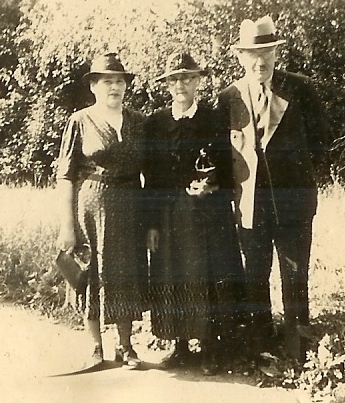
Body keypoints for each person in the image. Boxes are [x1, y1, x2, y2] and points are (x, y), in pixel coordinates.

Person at [218, 16, 329, 362]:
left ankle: (298, 349)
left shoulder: (301, 89)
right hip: (250, 202)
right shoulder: (228, 97)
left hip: (293, 202)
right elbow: (222, 154)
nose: (260, 61)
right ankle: (260, 345)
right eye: (252, 54)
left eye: (266, 52)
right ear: (240, 57)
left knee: (295, 273)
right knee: (256, 274)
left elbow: (323, 141)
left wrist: (300, 177)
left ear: (276, 54)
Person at [144, 51, 246, 375]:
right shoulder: (156, 122)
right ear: (168, 85)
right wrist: (152, 223)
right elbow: (151, 174)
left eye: (187, 77)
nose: (181, 85)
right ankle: (180, 345)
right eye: (175, 79)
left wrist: (212, 186)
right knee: (175, 275)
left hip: (209, 212)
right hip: (171, 214)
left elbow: (228, 164)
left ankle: (212, 347)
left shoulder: (214, 118)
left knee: (210, 276)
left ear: (198, 81)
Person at [56, 53, 147, 369]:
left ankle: (126, 346)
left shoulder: (138, 120)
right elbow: (65, 175)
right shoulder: (79, 121)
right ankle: (96, 347)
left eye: (120, 81)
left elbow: (148, 169)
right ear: (94, 85)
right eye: (107, 81)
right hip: (93, 205)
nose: (115, 86)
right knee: (92, 270)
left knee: (125, 271)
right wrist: (67, 225)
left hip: (131, 204)